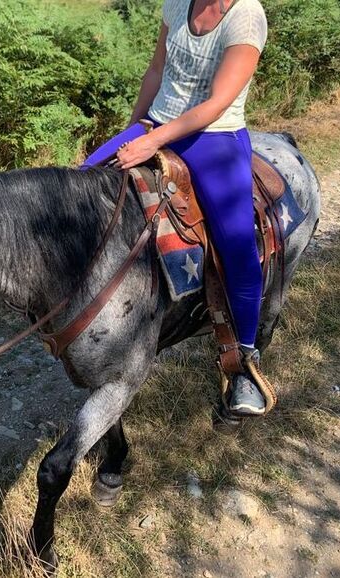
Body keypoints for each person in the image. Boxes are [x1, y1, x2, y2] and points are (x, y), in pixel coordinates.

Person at [83, 0, 269, 415]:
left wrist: (153, 141)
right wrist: (131, 131)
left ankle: (244, 364)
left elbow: (218, 102)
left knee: (237, 245)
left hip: (213, 138)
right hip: (156, 123)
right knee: (81, 181)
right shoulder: (177, 4)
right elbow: (156, 71)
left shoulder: (246, 16)